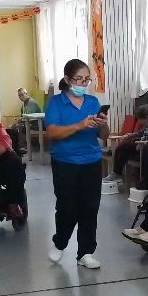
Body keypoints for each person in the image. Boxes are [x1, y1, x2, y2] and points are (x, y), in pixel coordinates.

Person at [44, 58, 109, 269]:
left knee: (90, 207)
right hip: (65, 162)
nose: (83, 84)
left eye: (86, 80)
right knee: (67, 207)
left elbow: (104, 136)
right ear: (67, 79)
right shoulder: (56, 103)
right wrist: (80, 125)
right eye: (79, 79)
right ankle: (60, 242)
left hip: (92, 160)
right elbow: (53, 132)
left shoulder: (92, 102)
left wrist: (102, 125)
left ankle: (86, 252)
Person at [103, 104, 148, 183]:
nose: (139, 122)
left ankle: (145, 180)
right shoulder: (147, 124)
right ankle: (117, 174)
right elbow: (141, 133)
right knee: (123, 147)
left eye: (140, 119)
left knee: (147, 150)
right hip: (142, 144)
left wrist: (142, 143)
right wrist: (129, 135)